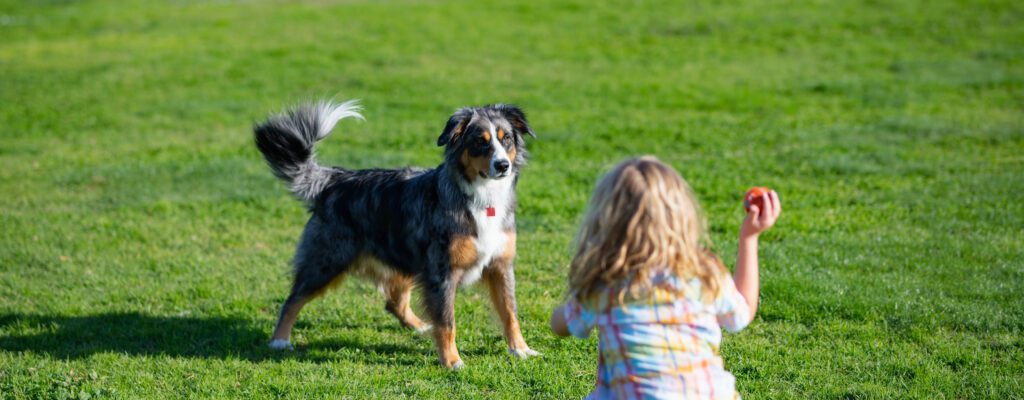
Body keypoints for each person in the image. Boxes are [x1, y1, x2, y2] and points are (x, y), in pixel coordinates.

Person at [549, 156, 781, 399]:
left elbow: (560, 325)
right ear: (681, 216)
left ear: (606, 222)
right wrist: (749, 237)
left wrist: (568, 308)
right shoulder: (702, 272)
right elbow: (743, 310)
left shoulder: (606, 285)